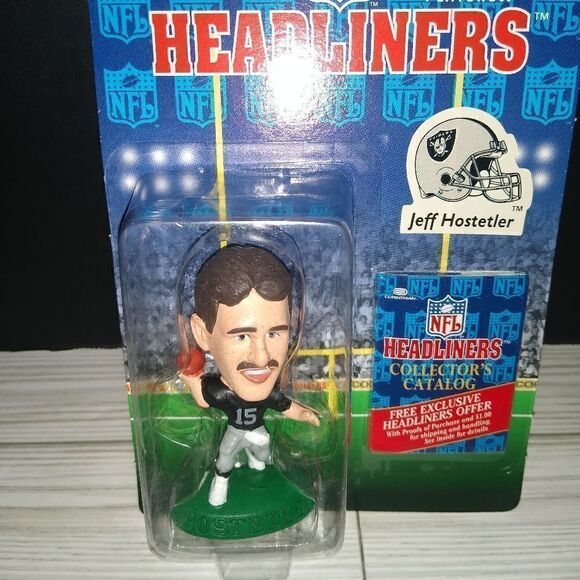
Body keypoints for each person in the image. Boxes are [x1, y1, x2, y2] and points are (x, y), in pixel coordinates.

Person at [179, 245, 319, 507]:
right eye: (242, 336)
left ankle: (258, 474)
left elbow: (287, 406)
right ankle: (220, 485)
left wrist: (305, 414)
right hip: (236, 431)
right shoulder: (223, 392)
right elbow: (203, 399)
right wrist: (191, 377)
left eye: (274, 333)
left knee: (262, 455)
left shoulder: (269, 393)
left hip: (258, 431)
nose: (262, 357)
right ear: (202, 334)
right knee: (225, 457)